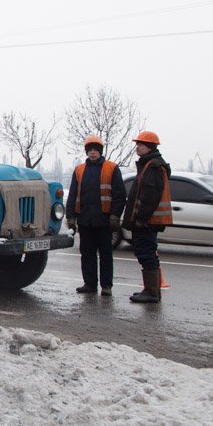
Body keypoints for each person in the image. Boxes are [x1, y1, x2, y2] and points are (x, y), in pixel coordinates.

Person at [65, 135, 125, 295]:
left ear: (100, 152)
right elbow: (72, 195)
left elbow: (119, 195)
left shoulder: (111, 168)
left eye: (95, 150)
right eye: (90, 150)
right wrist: (70, 216)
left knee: (105, 255)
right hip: (85, 221)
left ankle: (106, 286)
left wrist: (114, 216)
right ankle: (89, 284)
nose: (92, 153)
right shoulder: (79, 170)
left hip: (104, 221)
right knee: (87, 254)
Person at [123, 130, 173, 303]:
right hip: (147, 221)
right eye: (137, 144)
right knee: (148, 253)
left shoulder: (152, 166)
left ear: (150, 147)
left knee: (146, 254)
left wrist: (141, 219)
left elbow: (150, 196)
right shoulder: (150, 164)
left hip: (146, 222)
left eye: (141, 144)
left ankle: (152, 293)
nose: (137, 147)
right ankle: (151, 290)